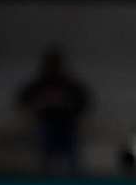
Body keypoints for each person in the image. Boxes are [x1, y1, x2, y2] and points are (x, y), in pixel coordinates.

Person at [16, 47, 91, 176]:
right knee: (45, 150)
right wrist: (38, 105)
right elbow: (23, 99)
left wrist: (68, 105)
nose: (53, 67)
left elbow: (84, 100)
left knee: (72, 153)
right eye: (51, 63)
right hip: (46, 123)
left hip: (67, 124)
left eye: (55, 63)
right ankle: (44, 175)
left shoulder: (68, 83)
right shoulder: (40, 83)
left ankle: (74, 177)